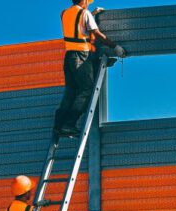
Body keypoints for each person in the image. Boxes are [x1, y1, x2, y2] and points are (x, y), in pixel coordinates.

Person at [52, 0, 126, 137]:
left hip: (69, 56)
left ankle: (59, 125)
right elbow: (97, 34)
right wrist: (115, 46)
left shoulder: (65, 13)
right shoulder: (85, 14)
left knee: (70, 91)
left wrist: (92, 14)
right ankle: (69, 124)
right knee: (86, 89)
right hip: (81, 56)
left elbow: (77, 27)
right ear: (84, 1)